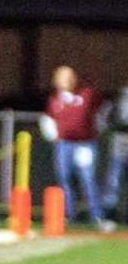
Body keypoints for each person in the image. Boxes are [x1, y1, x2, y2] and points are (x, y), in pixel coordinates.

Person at [43, 65, 109, 228]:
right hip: (64, 145)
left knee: (88, 179)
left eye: (71, 76)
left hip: (85, 144)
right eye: (64, 77)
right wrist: (52, 135)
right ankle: (68, 215)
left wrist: (99, 128)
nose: (68, 80)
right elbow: (48, 120)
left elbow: (104, 109)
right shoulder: (55, 100)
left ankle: (97, 215)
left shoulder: (87, 95)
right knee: (64, 178)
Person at [101, 87, 128, 223]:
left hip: (120, 140)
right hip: (119, 142)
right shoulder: (118, 96)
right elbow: (105, 117)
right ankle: (109, 212)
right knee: (114, 179)